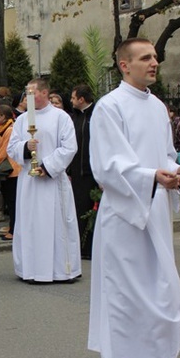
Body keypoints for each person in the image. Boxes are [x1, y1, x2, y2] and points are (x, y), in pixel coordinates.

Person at [88, 38, 180, 358]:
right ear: (124, 65)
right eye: (145, 58)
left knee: (157, 287)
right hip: (125, 212)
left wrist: (177, 169)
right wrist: (151, 177)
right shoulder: (109, 107)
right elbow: (109, 164)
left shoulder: (158, 107)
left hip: (154, 209)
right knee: (125, 290)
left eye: (156, 57)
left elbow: (162, 153)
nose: (154, 63)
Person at [6, 78, 81, 283]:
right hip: (29, 184)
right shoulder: (21, 121)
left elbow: (69, 147)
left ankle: (62, 270)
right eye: (26, 93)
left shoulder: (60, 117)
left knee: (57, 224)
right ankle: (31, 270)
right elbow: (11, 148)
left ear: (45, 93)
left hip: (52, 181)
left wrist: (47, 166)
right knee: (31, 224)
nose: (27, 97)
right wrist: (25, 147)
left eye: (32, 92)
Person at [67, 84, 96, 259]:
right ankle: (81, 246)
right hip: (77, 171)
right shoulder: (75, 117)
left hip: (91, 171)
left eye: (73, 97)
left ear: (81, 99)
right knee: (79, 209)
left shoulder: (96, 115)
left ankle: (90, 246)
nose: (70, 101)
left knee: (91, 209)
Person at [0, 104, 20, 240]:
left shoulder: (9, 130)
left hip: (12, 170)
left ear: (4, 116)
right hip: (9, 169)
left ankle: (14, 230)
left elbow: (4, 151)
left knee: (13, 202)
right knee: (10, 201)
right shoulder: (5, 128)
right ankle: (12, 226)